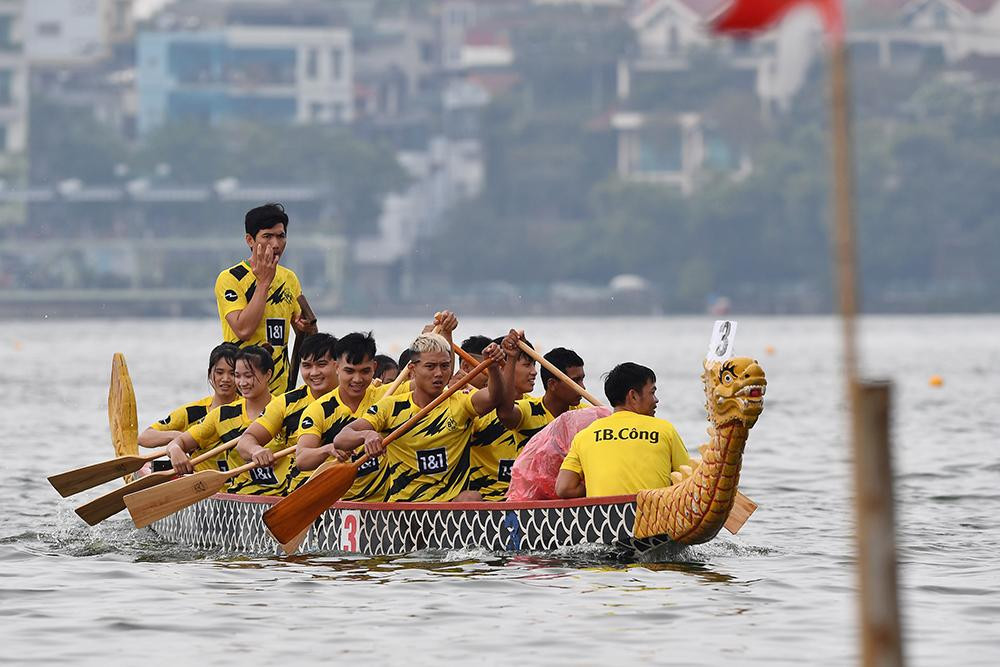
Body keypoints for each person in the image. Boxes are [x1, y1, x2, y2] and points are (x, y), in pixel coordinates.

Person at [333, 330, 514, 502]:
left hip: (450, 511)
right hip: (405, 509)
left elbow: (494, 397)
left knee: (471, 497)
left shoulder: (460, 402)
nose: (438, 374)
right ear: (412, 370)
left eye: (444, 366)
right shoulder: (391, 407)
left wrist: (494, 368)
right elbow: (341, 439)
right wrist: (367, 435)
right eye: (430, 366)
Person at [215, 202, 318, 395]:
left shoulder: (289, 278)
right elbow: (243, 329)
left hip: (280, 392)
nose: (276, 244)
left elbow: (311, 342)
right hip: (241, 391)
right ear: (250, 240)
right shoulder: (230, 278)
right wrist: (264, 283)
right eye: (267, 236)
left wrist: (305, 328)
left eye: (281, 236)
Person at [556, 362, 690, 499]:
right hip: (653, 516)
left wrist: (594, 483)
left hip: (603, 518)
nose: (656, 400)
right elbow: (688, 479)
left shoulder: (584, 436)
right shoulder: (664, 429)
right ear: (633, 396)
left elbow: (564, 488)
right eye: (652, 392)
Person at [232, 333, 338, 495]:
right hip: (300, 492)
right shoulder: (286, 403)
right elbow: (245, 441)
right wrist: (256, 451)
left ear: (337, 365)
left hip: (348, 487)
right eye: (307, 366)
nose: (314, 372)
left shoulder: (358, 394)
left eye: (321, 364)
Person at [294, 332, 389, 497]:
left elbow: (430, 383)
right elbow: (302, 459)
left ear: (374, 367)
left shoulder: (388, 395)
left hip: (383, 502)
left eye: (365, 371)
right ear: (336, 367)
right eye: (349, 371)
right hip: (337, 503)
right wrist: (327, 449)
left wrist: (443, 335)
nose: (357, 379)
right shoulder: (319, 409)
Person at [163, 346, 275, 479]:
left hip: (288, 492)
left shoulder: (285, 407)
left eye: (248, 376)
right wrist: (175, 450)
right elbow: (175, 443)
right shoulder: (222, 415)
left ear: (268, 375)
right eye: (238, 376)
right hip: (238, 493)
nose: (242, 383)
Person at [464, 331, 539, 501]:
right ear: (504, 367)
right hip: (486, 505)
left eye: (534, 365)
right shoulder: (477, 409)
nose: (534, 372)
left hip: (527, 500)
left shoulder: (536, 407)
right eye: (527, 365)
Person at [137, 342, 240, 449]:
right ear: (209, 374)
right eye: (219, 372)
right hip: (199, 466)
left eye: (232, 373)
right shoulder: (192, 412)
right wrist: (178, 437)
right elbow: (144, 437)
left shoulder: (247, 408)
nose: (225, 379)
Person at [497, 345, 587, 449]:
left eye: (582, 380)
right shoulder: (528, 409)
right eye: (575, 381)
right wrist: (512, 358)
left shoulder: (586, 414)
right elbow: (504, 414)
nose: (582, 387)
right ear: (552, 384)